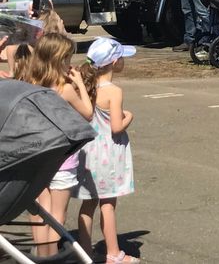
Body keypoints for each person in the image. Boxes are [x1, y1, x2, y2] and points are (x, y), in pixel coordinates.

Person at [13, 31, 94, 257]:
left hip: (37, 155)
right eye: (67, 58)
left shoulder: (29, 83)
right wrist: (79, 84)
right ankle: (51, 257)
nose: (70, 63)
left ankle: (41, 256)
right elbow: (87, 114)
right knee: (58, 214)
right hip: (62, 157)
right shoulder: (64, 88)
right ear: (59, 59)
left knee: (41, 212)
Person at [76, 37, 138, 264]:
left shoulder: (86, 87)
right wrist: (128, 116)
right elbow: (116, 127)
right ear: (113, 62)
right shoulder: (113, 91)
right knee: (108, 204)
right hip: (108, 155)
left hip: (89, 152)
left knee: (88, 203)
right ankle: (113, 253)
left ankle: (85, 252)